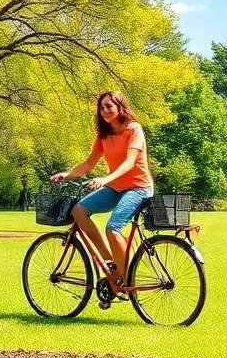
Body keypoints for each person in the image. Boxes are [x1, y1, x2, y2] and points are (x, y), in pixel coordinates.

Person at [51, 91, 153, 288]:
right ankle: (111, 261)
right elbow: (89, 163)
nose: (105, 110)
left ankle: (124, 278)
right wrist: (68, 175)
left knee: (113, 227)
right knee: (79, 211)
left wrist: (105, 178)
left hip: (139, 188)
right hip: (115, 188)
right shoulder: (103, 136)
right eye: (102, 107)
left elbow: (129, 163)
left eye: (109, 106)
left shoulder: (134, 129)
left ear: (120, 107)